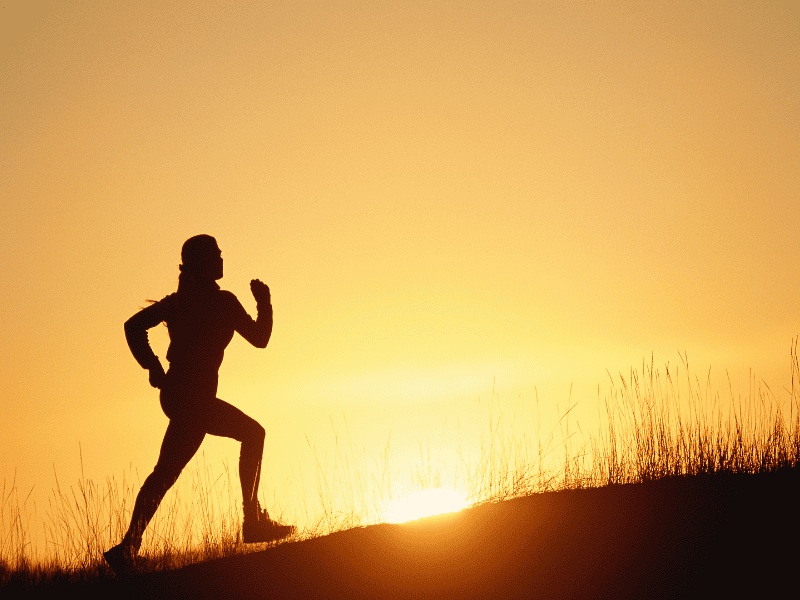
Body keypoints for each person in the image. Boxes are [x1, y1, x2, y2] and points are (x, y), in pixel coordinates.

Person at [104, 234, 294, 575]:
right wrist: (264, 303)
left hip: (179, 394)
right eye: (217, 254)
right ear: (205, 263)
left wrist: (153, 366)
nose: (223, 258)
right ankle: (252, 521)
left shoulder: (179, 302)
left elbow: (133, 326)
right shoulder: (222, 302)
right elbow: (260, 339)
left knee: (165, 472)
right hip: (192, 396)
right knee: (253, 434)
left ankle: (127, 546)